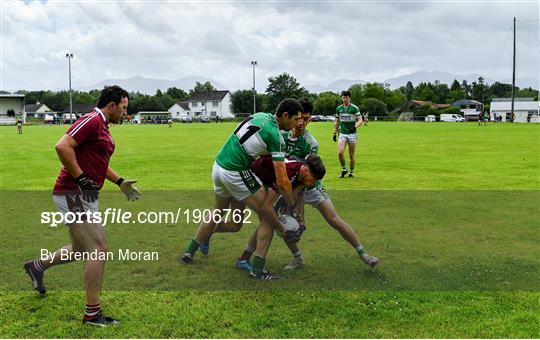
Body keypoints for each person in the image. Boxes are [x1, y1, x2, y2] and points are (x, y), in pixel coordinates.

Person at [23, 86, 140, 327]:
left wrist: (120, 182)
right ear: (112, 105)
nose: (125, 113)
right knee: (99, 248)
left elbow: (97, 163)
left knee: (79, 249)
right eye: (124, 108)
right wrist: (79, 178)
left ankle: (37, 266)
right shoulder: (92, 120)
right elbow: (62, 146)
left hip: (84, 195)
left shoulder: (103, 125)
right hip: (72, 193)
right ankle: (92, 314)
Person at [237, 97, 378, 271]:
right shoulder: (281, 135)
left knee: (333, 219)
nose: (303, 122)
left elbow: (305, 182)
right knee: (276, 221)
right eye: (300, 118)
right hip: (287, 186)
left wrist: (299, 212)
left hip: (309, 186)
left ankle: (363, 253)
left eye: (307, 118)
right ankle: (296, 258)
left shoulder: (311, 143)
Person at [180, 98, 302, 280]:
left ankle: (190, 251)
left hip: (218, 166)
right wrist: (291, 204)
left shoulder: (260, 116)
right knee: (268, 214)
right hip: (235, 171)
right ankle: (257, 269)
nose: (296, 124)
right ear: (285, 115)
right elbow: (282, 180)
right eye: (295, 119)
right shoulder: (276, 136)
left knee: (228, 218)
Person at [333, 90, 363, 178]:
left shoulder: (354, 108)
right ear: (342, 98)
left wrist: (355, 126)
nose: (345, 99)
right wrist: (334, 133)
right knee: (340, 152)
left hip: (352, 134)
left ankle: (351, 171)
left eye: (347, 98)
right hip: (342, 133)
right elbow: (337, 121)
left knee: (351, 154)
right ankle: (344, 169)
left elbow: (360, 120)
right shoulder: (339, 108)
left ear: (349, 98)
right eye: (343, 98)